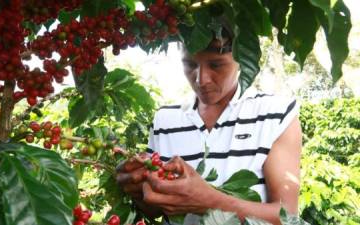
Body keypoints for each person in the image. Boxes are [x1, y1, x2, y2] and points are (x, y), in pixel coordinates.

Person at [116, 24, 302, 225]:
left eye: (216, 65)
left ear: (241, 60)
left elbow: (287, 217)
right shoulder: (165, 119)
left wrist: (209, 201)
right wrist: (137, 188)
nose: (201, 79)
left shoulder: (275, 114)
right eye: (189, 64)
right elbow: (155, 210)